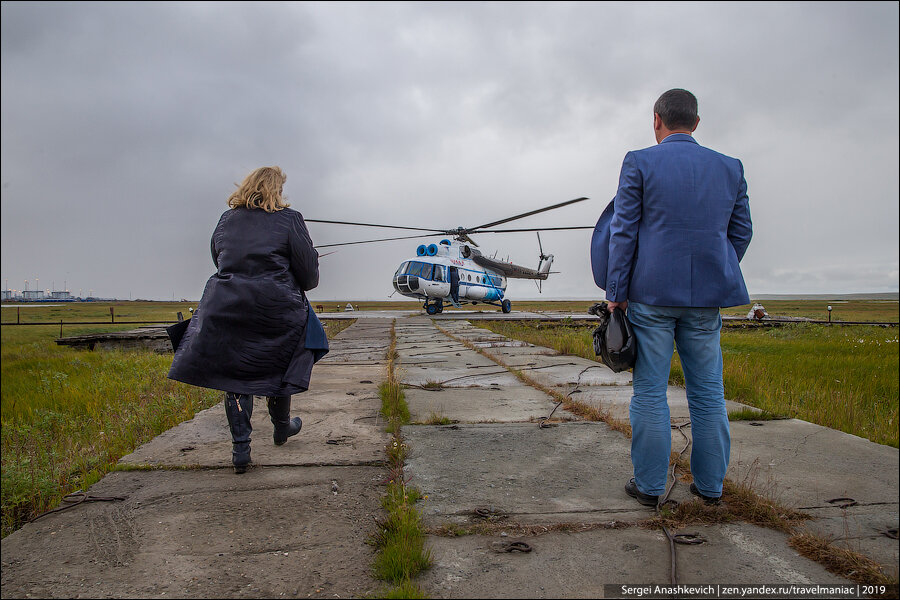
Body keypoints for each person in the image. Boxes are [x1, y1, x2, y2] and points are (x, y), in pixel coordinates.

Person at [591, 89, 752, 506]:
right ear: (696, 123)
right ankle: (711, 488)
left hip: (650, 297)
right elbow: (741, 232)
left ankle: (648, 487)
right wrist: (715, 268)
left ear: (656, 119)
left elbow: (623, 232)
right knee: (708, 395)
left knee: (649, 393)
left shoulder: (639, 161)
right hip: (706, 302)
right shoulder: (730, 168)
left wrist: (616, 293)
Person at [168, 166, 326, 474]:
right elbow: (309, 279)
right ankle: (281, 426)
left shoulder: (227, 220)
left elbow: (220, 259)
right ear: (276, 190)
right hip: (276, 309)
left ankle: (241, 449)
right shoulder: (291, 219)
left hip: (227, 306)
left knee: (236, 373)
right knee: (285, 360)